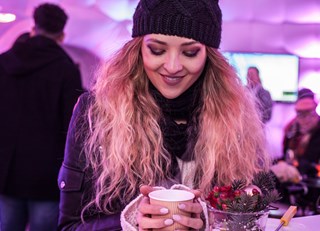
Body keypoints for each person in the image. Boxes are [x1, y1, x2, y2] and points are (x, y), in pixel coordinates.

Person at [57, 0, 271, 230]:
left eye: (189, 53)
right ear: (138, 49)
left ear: (209, 56)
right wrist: (128, 223)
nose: (172, 66)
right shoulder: (97, 112)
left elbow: (249, 217)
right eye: (157, 50)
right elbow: (69, 226)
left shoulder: (234, 118)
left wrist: (209, 221)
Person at [0, 3, 83, 231]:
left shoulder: (4, 62)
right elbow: (73, 126)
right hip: (46, 175)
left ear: (33, 27)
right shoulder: (66, 70)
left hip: (6, 170)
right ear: (62, 34)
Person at [282, 88, 320, 177]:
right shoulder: (291, 129)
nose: (306, 120)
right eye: (301, 115)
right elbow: (286, 154)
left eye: (310, 113)